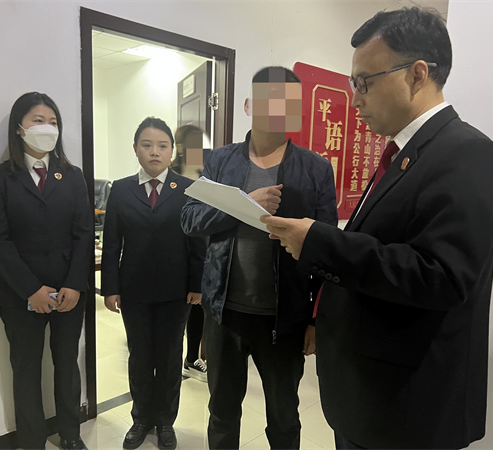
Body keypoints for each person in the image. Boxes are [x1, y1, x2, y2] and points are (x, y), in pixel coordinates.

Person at [262, 7, 493, 450]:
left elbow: (442, 276)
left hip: (408, 410)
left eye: (364, 82)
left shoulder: (467, 154)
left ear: (417, 74)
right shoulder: (405, 154)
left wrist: (319, 242)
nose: (355, 99)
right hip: (370, 398)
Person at [181, 66, 338, 449]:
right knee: (222, 413)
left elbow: (327, 250)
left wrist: (316, 320)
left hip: (285, 318)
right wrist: (243, 206)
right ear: (250, 104)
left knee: (284, 418)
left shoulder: (315, 169)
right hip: (224, 313)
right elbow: (189, 219)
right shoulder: (221, 161)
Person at [0, 92, 93, 450]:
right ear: (20, 128)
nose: (47, 128)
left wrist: (74, 284)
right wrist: (31, 289)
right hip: (20, 295)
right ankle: (31, 441)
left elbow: (83, 233)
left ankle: (71, 434)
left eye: (53, 122)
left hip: (68, 293)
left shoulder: (72, 177)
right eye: (38, 120)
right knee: (26, 371)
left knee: (67, 365)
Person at [101, 117, 206, 450]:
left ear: (172, 151)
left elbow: (196, 241)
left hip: (176, 292)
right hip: (134, 290)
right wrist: (110, 287)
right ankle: (141, 418)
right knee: (140, 357)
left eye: (162, 145)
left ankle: (165, 421)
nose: (154, 152)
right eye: (146, 145)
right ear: (135, 149)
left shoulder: (188, 189)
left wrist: (197, 284)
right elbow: (111, 242)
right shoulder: (120, 189)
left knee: (170, 357)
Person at [171, 124, 208, 382]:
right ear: (181, 146)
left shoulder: (208, 174)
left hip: (202, 248)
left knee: (198, 305)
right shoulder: (169, 173)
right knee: (176, 307)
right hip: (175, 249)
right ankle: (169, 358)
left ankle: (192, 357)